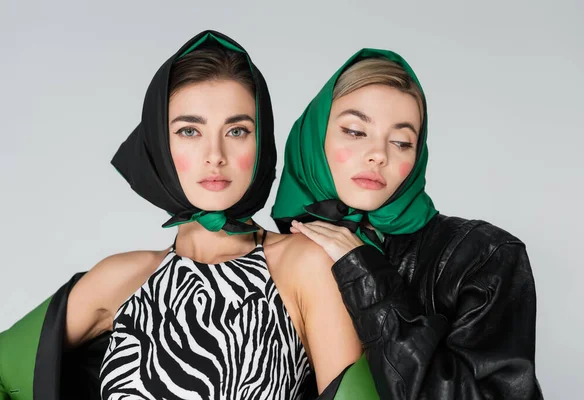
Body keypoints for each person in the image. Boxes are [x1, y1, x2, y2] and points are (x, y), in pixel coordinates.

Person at [0, 31, 362, 400]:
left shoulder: (304, 264)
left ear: (261, 140)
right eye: (190, 131)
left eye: (236, 131)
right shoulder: (121, 279)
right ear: (159, 142)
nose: (214, 154)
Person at [272, 48, 543, 399]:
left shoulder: (486, 256)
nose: (379, 154)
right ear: (314, 137)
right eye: (355, 132)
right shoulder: (278, 258)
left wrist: (365, 276)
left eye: (401, 142)